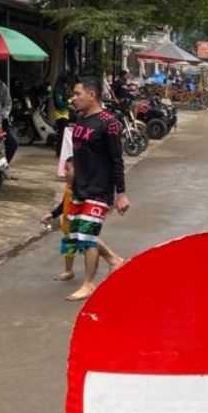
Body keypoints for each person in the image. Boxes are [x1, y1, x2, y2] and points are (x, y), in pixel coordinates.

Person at [64, 75, 130, 301]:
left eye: (78, 94)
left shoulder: (109, 123)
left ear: (92, 95)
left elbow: (116, 159)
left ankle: (89, 284)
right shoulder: (80, 119)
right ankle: (114, 260)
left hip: (100, 189)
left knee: (87, 235)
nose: (74, 98)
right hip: (80, 187)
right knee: (78, 234)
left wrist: (120, 193)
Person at [43, 156, 125, 283]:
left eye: (67, 169)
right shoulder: (69, 187)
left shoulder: (85, 190)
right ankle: (68, 270)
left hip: (78, 223)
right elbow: (63, 203)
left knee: (88, 240)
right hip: (68, 223)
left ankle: (111, 261)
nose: (64, 172)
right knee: (69, 247)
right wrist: (53, 214)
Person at [52, 71, 72, 157]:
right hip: (61, 115)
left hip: (65, 114)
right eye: (66, 83)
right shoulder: (57, 91)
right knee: (61, 135)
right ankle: (59, 152)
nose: (66, 85)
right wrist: (70, 101)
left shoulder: (62, 90)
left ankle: (61, 151)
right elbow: (60, 104)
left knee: (63, 134)